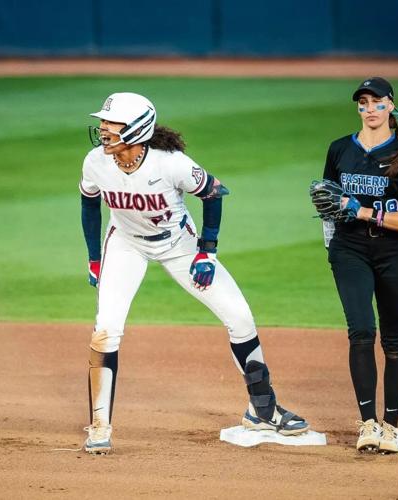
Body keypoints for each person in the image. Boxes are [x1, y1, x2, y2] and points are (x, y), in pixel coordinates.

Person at [79, 92, 309, 454]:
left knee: (240, 317)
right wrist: (94, 256)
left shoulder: (172, 164)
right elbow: (89, 202)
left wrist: (208, 250)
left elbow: (214, 192)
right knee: (106, 330)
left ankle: (263, 409)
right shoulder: (95, 162)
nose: (103, 130)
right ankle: (99, 426)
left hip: (178, 244)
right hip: (125, 244)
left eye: (112, 124)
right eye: (103, 123)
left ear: (137, 129)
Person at [315, 77, 398, 454]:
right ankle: (367, 423)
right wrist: (331, 243)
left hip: (395, 254)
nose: (370, 109)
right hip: (349, 251)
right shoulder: (338, 150)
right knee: (361, 331)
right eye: (363, 102)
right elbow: (328, 202)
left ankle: (391, 426)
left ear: (391, 106)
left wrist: (361, 211)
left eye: (377, 102)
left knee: (395, 342)